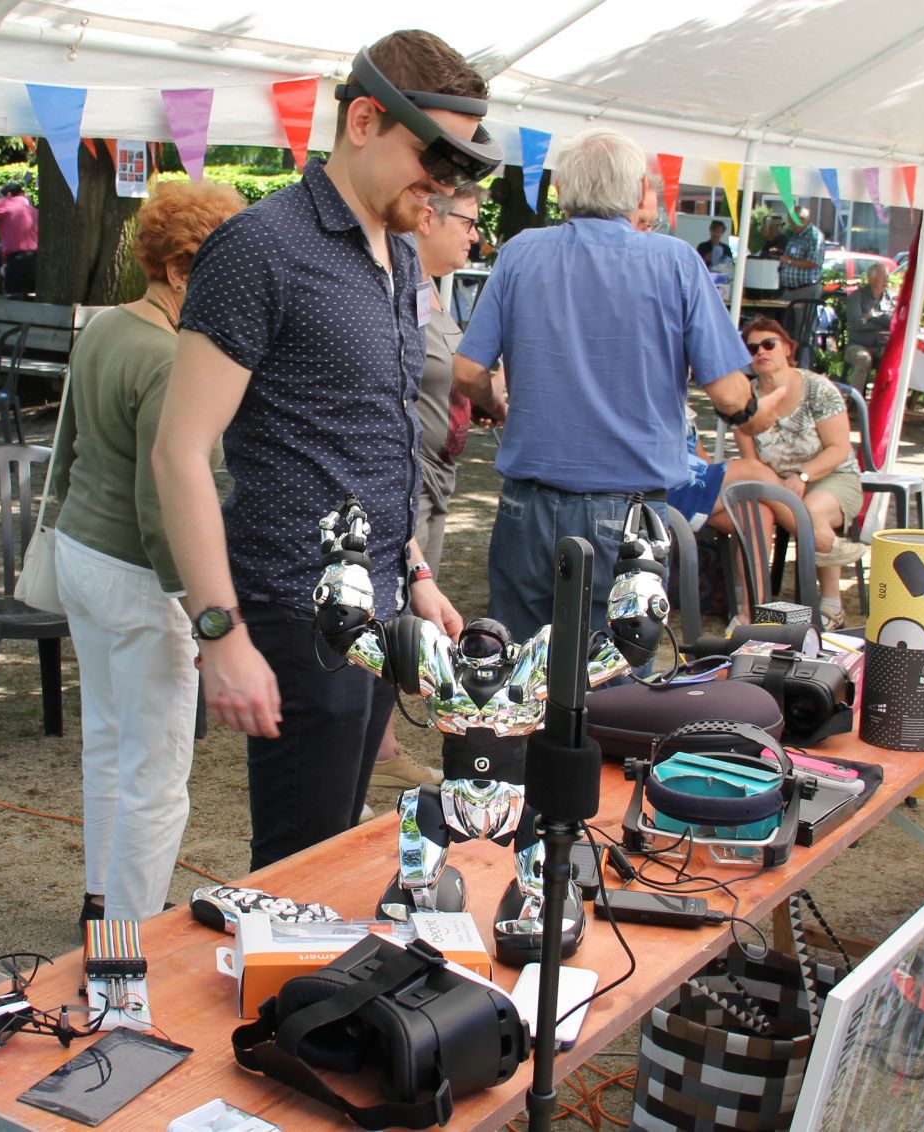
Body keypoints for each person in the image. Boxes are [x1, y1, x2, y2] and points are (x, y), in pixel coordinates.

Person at [153, 29, 483, 869]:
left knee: (336, 857)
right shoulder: (260, 246)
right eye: (433, 156)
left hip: (379, 602)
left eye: (461, 166)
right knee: (297, 873)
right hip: (296, 611)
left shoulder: (402, 257)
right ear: (365, 119)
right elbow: (180, 453)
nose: (445, 185)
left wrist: (416, 574)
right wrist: (220, 634)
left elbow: (366, 441)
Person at [453, 127, 780, 641]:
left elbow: (468, 371)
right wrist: (752, 414)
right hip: (628, 512)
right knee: (616, 679)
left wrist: (499, 403)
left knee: (517, 669)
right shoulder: (674, 261)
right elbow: (729, 393)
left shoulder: (520, 252)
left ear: (562, 189)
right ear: (636, 191)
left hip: (528, 505)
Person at [51, 179, 246, 925]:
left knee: (108, 740)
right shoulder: (170, 358)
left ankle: (103, 904)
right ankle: (129, 938)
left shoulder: (103, 327)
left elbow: (67, 450)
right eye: (213, 269)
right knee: (159, 771)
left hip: (82, 552)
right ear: (174, 270)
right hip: (138, 576)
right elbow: (162, 501)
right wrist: (203, 615)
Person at [370, 183, 488, 795]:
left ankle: (380, 748)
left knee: (405, 621)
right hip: (403, 480)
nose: (476, 234)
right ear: (427, 218)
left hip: (433, 478)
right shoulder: (397, 284)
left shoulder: (433, 291)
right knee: (389, 618)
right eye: (468, 221)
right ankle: (373, 755)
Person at [734, 317, 866, 630]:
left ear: (787, 348)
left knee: (810, 511)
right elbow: (751, 462)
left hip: (831, 475)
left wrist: (803, 476)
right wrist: (778, 487)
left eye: (769, 344)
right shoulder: (743, 399)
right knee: (750, 512)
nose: (760, 352)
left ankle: (831, 605)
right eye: (752, 347)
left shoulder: (817, 388)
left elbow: (838, 448)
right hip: (774, 482)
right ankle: (748, 608)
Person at [778, 206, 826, 368]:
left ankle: (804, 369)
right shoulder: (795, 235)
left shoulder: (814, 237)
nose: (791, 225)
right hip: (789, 290)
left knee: (803, 333)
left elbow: (813, 263)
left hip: (806, 290)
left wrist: (789, 261)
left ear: (804, 220)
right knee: (786, 331)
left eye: (794, 222)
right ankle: (786, 365)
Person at [842, 261, 893, 396]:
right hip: (857, 345)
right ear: (871, 279)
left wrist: (871, 318)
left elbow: (892, 322)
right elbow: (856, 324)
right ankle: (854, 401)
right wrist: (881, 323)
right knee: (863, 359)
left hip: (881, 346)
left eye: (887, 277)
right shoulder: (856, 297)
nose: (886, 280)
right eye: (883, 277)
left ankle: (882, 402)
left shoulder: (888, 299)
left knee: (893, 360)